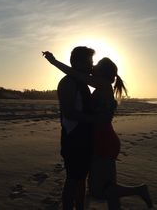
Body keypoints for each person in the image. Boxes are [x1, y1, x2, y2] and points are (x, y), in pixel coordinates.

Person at [43, 50, 153, 210]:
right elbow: (75, 81)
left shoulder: (101, 84)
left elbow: (74, 73)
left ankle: (139, 190)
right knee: (107, 186)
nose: (92, 66)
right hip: (101, 138)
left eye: (95, 64)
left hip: (104, 139)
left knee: (99, 190)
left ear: (101, 72)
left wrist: (54, 62)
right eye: (91, 62)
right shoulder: (95, 86)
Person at [49, 46, 112, 210]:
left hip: (87, 137)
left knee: (82, 178)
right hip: (74, 138)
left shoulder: (83, 82)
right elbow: (69, 112)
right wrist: (95, 119)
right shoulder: (68, 82)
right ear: (78, 62)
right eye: (90, 62)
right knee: (72, 179)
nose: (92, 66)